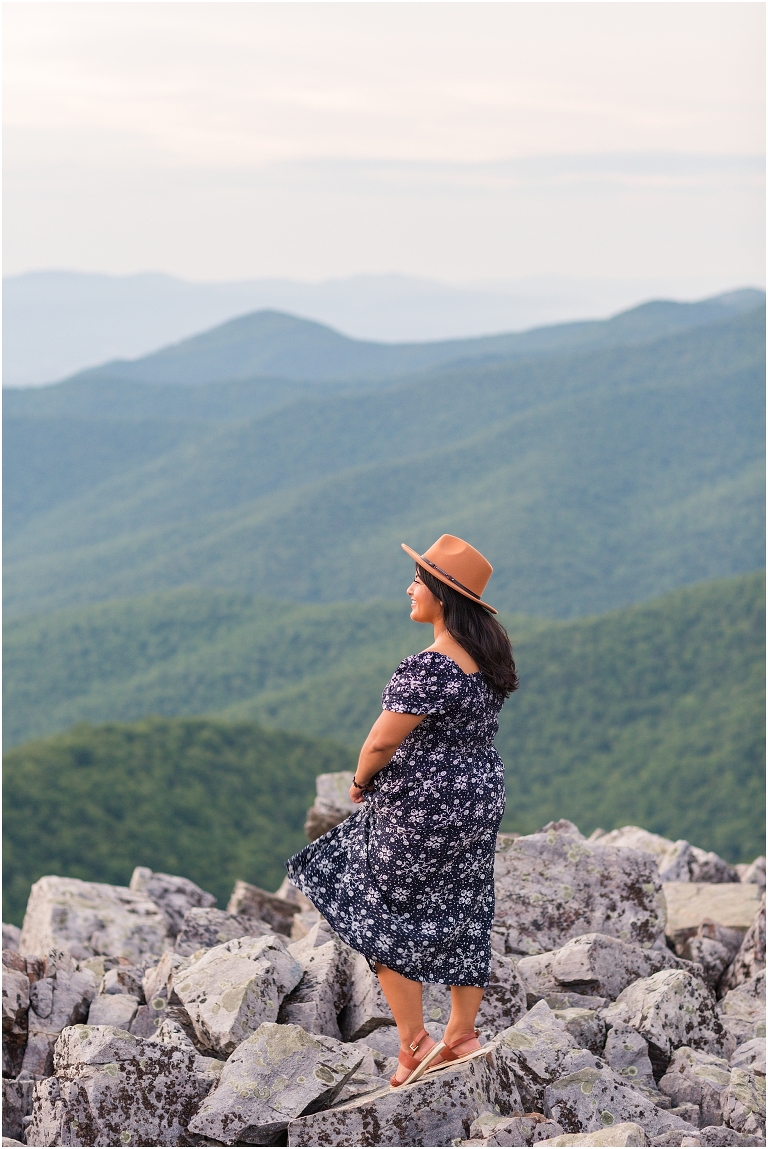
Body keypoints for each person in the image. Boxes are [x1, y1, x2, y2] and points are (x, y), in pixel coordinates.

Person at [286, 534, 519, 1088]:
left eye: (418, 580)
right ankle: (461, 1033)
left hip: (421, 803)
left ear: (442, 595)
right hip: (478, 798)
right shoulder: (486, 663)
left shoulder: (427, 666)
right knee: (464, 903)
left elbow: (379, 743)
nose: (409, 588)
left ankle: (414, 1043)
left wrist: (361, 781)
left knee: (374, 902)